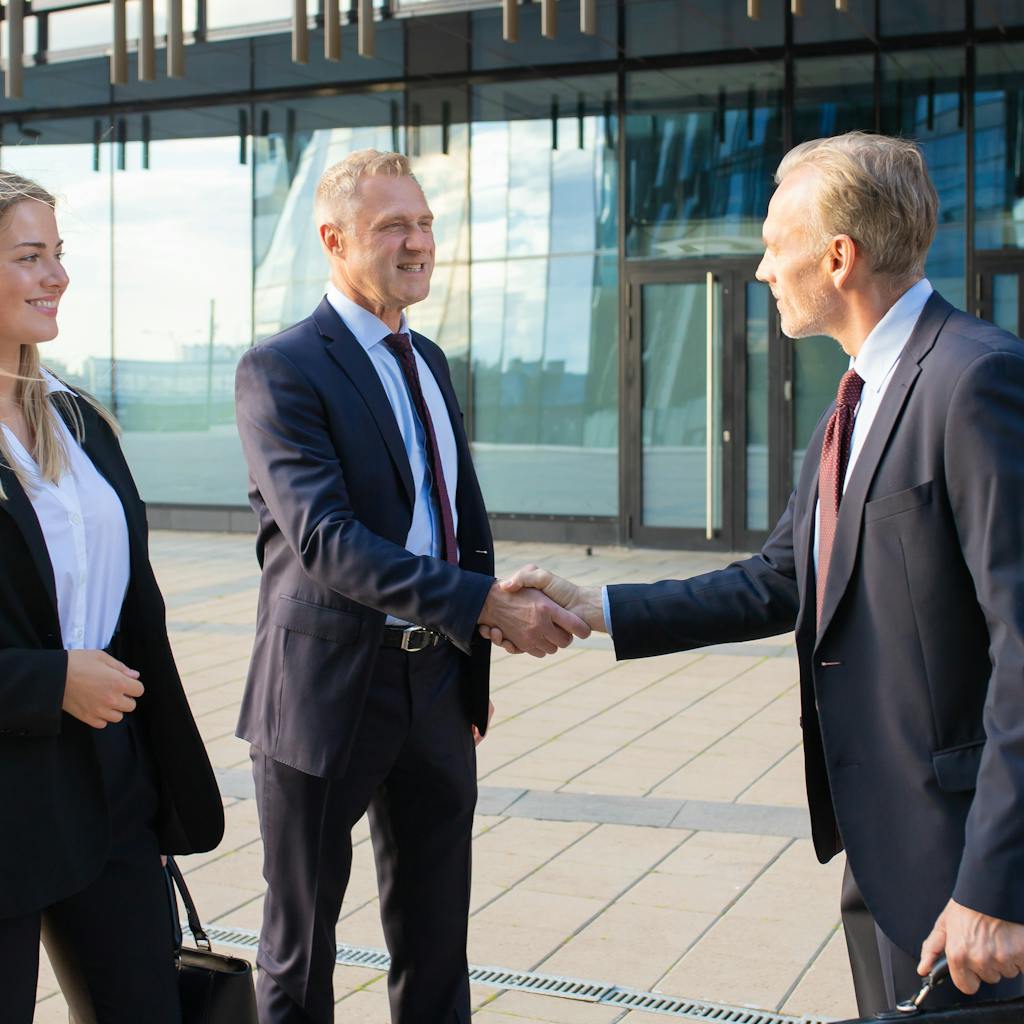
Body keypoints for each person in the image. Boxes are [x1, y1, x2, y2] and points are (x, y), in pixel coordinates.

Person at [484, 132, 1024, 1017]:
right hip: (880, 849)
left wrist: (998, 884)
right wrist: (601, 607)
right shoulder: (855, 399)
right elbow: (779, 579)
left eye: (777, 244)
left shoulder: (975, 381)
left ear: (839, 257)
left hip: (965, 869)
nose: (763, 269)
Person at [234, 149, 588, 1024]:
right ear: (334, 239)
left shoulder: (428, 357)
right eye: (394, 225)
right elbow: (327, 541)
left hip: (432, 688)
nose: (419, 242)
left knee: (437, 946)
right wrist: (481, 606)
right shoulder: (280, 369)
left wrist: (473, 660)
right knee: (300, 950)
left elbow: (459, 519)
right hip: (323, 695)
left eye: (425, 223)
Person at [0, 171, 224, 1023]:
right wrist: (49, 681)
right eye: (30, 256)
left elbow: (135, 610)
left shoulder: (77, 419)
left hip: (107, 786)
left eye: (59, 254)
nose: (57, 276)